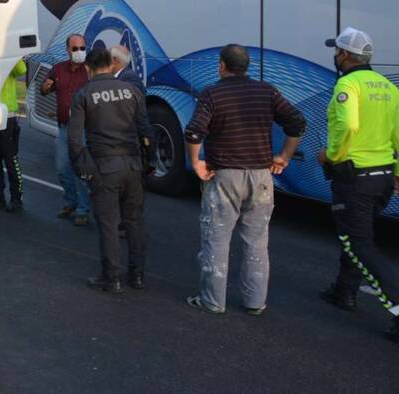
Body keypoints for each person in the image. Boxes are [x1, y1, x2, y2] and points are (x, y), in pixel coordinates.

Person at [183, 44, 306, 315]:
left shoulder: (212, 94)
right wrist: (284, 156)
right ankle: (255, 302)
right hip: (262, 177)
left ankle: (212, 301)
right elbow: (297, 122)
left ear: (222, 66)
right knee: (257, 241)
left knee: (216, 239)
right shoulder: (268, 91)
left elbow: (194, 133)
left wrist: (196, 163)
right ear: (246, 66)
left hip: (225, 177)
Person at [317, 27, 399, 341]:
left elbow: (348, 124)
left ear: (346, 55)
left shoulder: (348, 84)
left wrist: (332, 155)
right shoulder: (388, 88)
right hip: (383, 178)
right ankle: (344, 291)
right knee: (357, 236)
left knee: (358, 243)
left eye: (337, 50)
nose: (335, 56)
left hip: (355, 178)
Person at [68, 48, 154, 293]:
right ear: (111, 64)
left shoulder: (84, 94)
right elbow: (146, 130)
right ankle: (137, 276)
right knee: (134, 222)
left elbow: (75, 141)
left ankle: (111, 277)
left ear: (88, 68)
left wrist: (84, 171)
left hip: (105, 167)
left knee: (108, 224)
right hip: (133, 165)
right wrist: (148, 164)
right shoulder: (132, 91)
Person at [40, 34, 91, 225]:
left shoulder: (90, 70)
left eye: (82, 48)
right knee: (62, 168)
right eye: (75, 48)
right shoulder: (59, 69)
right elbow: (45, 90)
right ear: (68, 50)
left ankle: (83, 210)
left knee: (81, 171)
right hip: (63, 128)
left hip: (83, 129)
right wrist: (45, 87)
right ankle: (70, 202)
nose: (80, 52)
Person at [0, 59, 28, 212]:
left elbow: (21, 70)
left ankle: (16, 198)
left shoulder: (9, 59)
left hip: (7, 116)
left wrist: (12, 53)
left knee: (11, 159)